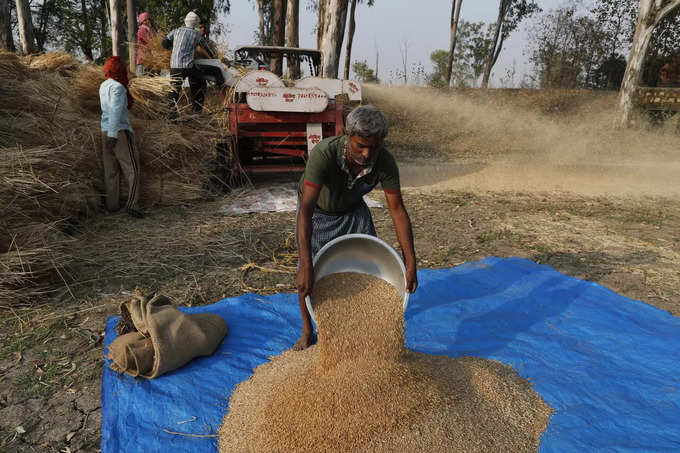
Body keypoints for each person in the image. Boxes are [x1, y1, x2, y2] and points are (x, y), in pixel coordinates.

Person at [294, 105, 418, 350]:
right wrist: (306, 264)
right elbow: (305, 209)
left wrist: (411, 260)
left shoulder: (384, 161)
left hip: (352, 209)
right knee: (308, 277)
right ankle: (308, 331)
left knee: (367, 266)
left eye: (374, 147)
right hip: (318, 212)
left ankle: (362, 326)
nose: (366, 153)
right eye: (360, 145)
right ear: (347, 135)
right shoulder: (324, 154)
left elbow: (397, 210)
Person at [99, 56, 144, 218]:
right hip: (118, 132)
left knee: (111, 170)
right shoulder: (118, 88)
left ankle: (112, 206)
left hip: (104, 131)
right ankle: (132, 205)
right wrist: (113, 135)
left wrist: (108, 134)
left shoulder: (103, 86)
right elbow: (115, 111)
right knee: (132, 169)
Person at [162, 11, 224, 114]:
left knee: (174, 91)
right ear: (195, 24)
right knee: (216, 71)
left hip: (174, 67)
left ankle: (170, 115)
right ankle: (221, 92)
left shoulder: (176, 31)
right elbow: (207, 49)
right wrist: (216, 58)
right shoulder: (196, 34)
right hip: (188, 67)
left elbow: (164, 42)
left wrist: (171, 48)